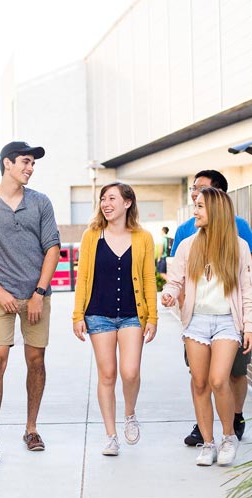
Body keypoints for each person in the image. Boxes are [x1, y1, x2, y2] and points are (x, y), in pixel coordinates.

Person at [0, 141, 61, 467]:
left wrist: (40, 292)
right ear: (7, 163)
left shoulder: (41, 203)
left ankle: (31, 428)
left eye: (32, 163)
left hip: (35, 296)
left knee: (35, 360)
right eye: (25, 162)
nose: (30, 168)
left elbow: (52, 249)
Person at [161, 187, 252, 466]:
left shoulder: (238, 246)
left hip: (228, 321)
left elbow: (248, 292)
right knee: (199, 382)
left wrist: (248, 327)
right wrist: (168, 293)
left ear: (215, 210)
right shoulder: (188, 245)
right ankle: (208, 442)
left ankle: (228, 437)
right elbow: (175, 280)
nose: (195, 211)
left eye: (200, 206)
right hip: (197, 322)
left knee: (218, 380)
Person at [72, 182, 158, 457]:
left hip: (133, 315)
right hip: (98, 314)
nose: (106, 204)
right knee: (107, 374)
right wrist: (78, 315)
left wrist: (153, 317)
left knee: (130, 372)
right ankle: (110, 436)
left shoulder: (143, 237)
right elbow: (82, 277)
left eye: (111, 198)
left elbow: (148, 279)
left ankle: (129, 414)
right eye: (102, 199)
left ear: (127, 203)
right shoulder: (91, 236)